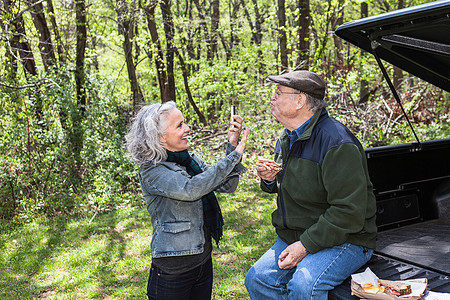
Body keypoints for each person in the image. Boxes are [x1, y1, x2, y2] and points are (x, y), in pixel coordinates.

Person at [244, 70, 377, 299]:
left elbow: (349, 212)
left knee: (305, 287)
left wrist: (304, 245)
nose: (272, 97)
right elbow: (292, 183)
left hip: (348, 239)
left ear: (300, 100)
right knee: (257, 280)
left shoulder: (337, 142)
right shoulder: (288, 137)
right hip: (297, 234)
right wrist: (268, 180)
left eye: (278, 93)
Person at [125, 101, 250, 300]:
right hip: (173, 272)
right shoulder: (152, 170)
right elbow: (191, 189)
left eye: (185, 123)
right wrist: (233, 158)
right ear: (160, 137)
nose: (188, 129)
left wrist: (231, 146)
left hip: (202, 261)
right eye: (179, 125)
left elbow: (227, 186)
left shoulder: (188, 159)